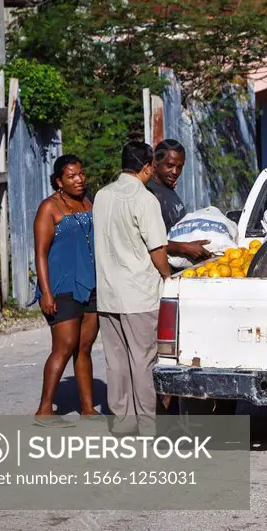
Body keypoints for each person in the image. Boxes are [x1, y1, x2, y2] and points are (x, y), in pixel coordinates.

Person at [93, 142, 172, 433]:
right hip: (139, 294)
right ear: (147, 166)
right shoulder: (145, 199)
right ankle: (148, 426)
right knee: (143, 360)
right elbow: (157, 249)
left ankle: (122, 422)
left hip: (108, 293)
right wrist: (168, 276)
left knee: (116, 361)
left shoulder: (101, 196)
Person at [32, 155, 103, 427]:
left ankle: (87, 408)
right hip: (62, 287)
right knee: (63, 348)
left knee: (84, 347)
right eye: (72, 176)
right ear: (59, 181)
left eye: (82, 174)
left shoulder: (88, 201)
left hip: (91, 284)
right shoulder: (49, 208)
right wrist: (46, 292)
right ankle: (44, 409)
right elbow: (40, 253)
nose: (79, 180)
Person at [148, 140, 211, 261]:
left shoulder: (167, 187)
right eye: (170, 165)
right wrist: (184, 248)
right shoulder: (149, 193)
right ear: (155, 162)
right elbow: (149, 242)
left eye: (179, 167)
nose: (175, 172)